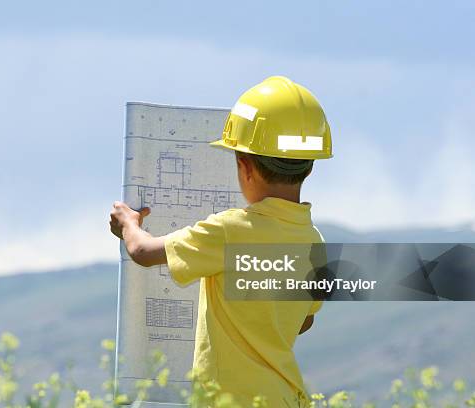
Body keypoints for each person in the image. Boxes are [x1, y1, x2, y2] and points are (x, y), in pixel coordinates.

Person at [110, 76, 333, 407]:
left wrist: (128, 223)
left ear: (244, 166)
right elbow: (304, 321)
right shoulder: (314, 241)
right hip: (286, 399)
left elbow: (142, 252)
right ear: (309, 167)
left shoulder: (229, 231)